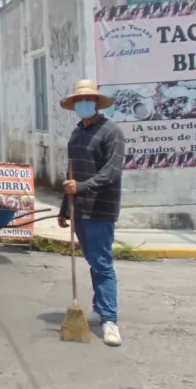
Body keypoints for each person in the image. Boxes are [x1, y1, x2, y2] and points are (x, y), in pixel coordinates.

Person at [57, 79, 125, 347]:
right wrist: (64, 207)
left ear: (96, 103)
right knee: (93, 260)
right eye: (79, 101)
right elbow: (70, 175)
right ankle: (99, 306)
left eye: (88, 100)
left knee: (102, 263)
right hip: (79, 209)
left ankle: (110, 319)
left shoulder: (111, 132)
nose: (83, 104)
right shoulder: (76, 134)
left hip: (101, 208)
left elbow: (111, 172)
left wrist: (81, 187)